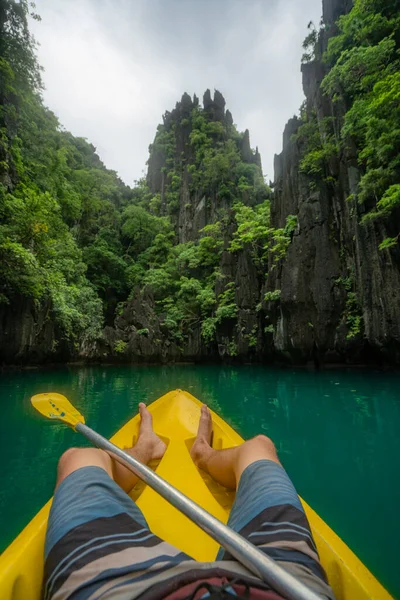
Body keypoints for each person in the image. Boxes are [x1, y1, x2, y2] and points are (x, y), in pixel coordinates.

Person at [43, 404, 335, 600]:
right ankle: (201, 454)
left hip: (123, 589)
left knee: (79, 459)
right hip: (283, 581)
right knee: (259, 447)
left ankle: (150, 449)